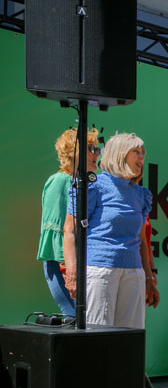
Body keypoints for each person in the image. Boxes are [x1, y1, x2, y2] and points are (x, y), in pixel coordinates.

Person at [63, 132, 154, 329]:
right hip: (100, 271)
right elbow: (70, 230)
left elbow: (142, 241)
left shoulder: (141, 194)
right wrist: (72, 273)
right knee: (97, 338)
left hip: (134, 272)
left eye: (143, 153)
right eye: (136, 152)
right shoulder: (94, 185)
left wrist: (148, 277)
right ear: (120, 154)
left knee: (130, 339)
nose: (141, 157)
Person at [38, 128, 99, 316]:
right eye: (90, 149)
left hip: (82, 262)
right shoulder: (60, 181)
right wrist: (67, 269)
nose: (96, 154)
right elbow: (56, 230)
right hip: (61, 264)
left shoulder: (89, 184)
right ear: (73, 152)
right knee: (75, 317)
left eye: (97, 149)